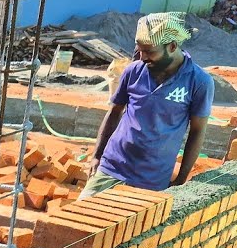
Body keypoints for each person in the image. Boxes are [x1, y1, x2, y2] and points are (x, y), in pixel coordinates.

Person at [82, 12, 214, 199]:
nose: (142, 57)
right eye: (139, 50)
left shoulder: (199, 82)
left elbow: (197, 131)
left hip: (152, 179)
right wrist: (97, 156)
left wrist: (181, 178)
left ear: (172, 46)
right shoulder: (134, 71)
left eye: (150, 51)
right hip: (112, 167)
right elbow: (114, 112)